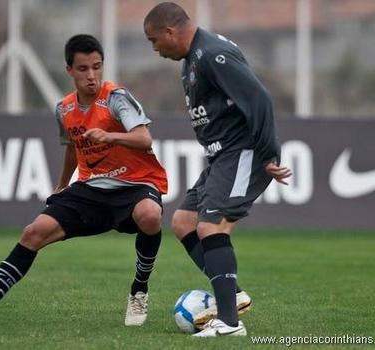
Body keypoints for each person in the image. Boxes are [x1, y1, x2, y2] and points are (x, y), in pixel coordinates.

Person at [0, 34, 168, 327]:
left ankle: (139, 290)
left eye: (97, 66)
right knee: (33, 232)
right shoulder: (64, 109)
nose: (91, 75)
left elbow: (144, 138)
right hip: (92, 188)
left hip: (137, 184)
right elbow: (72, 148)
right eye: (83, 69)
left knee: (151, 216)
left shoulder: (116, 98)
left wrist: (110, 135)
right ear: (69, 70)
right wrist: (62, 185)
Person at [144, 3, 292, 337]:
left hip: (243, 151)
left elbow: (259, 99)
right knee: (184, 222)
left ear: (170, 31)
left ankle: (228, 322)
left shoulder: (213, 53)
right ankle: (232, 294)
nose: (155, 49)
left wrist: (268, 154)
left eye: (154, 40)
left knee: (210, 227)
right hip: (220, 156)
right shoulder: (192, 59)